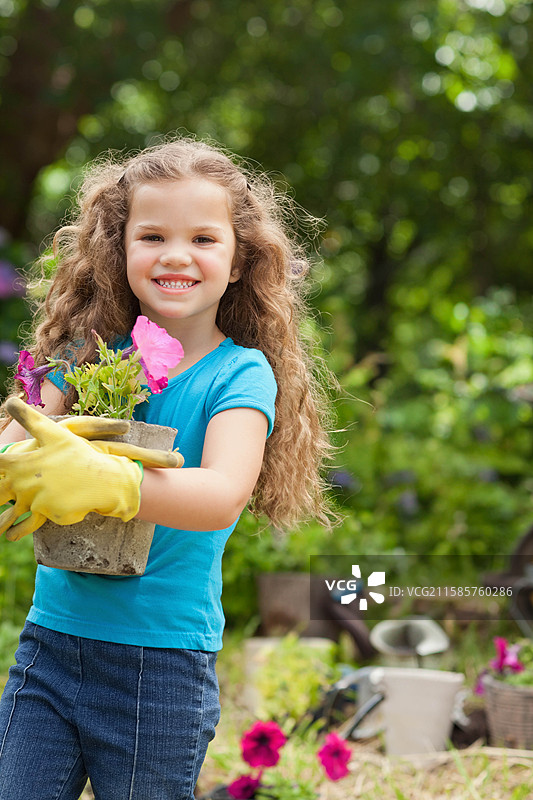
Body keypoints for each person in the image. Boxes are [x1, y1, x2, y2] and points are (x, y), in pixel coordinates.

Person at [0, 137, 334, 800]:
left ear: (238, 261)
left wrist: (113, 480)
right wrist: (24, 448)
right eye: (151, 235)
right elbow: (15, 437)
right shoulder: (88, 353)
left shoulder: (239, 372)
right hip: (51, 646)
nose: (176, 255)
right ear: (119, 251)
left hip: (161, 666)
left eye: (204, 239)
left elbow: (219, 495)